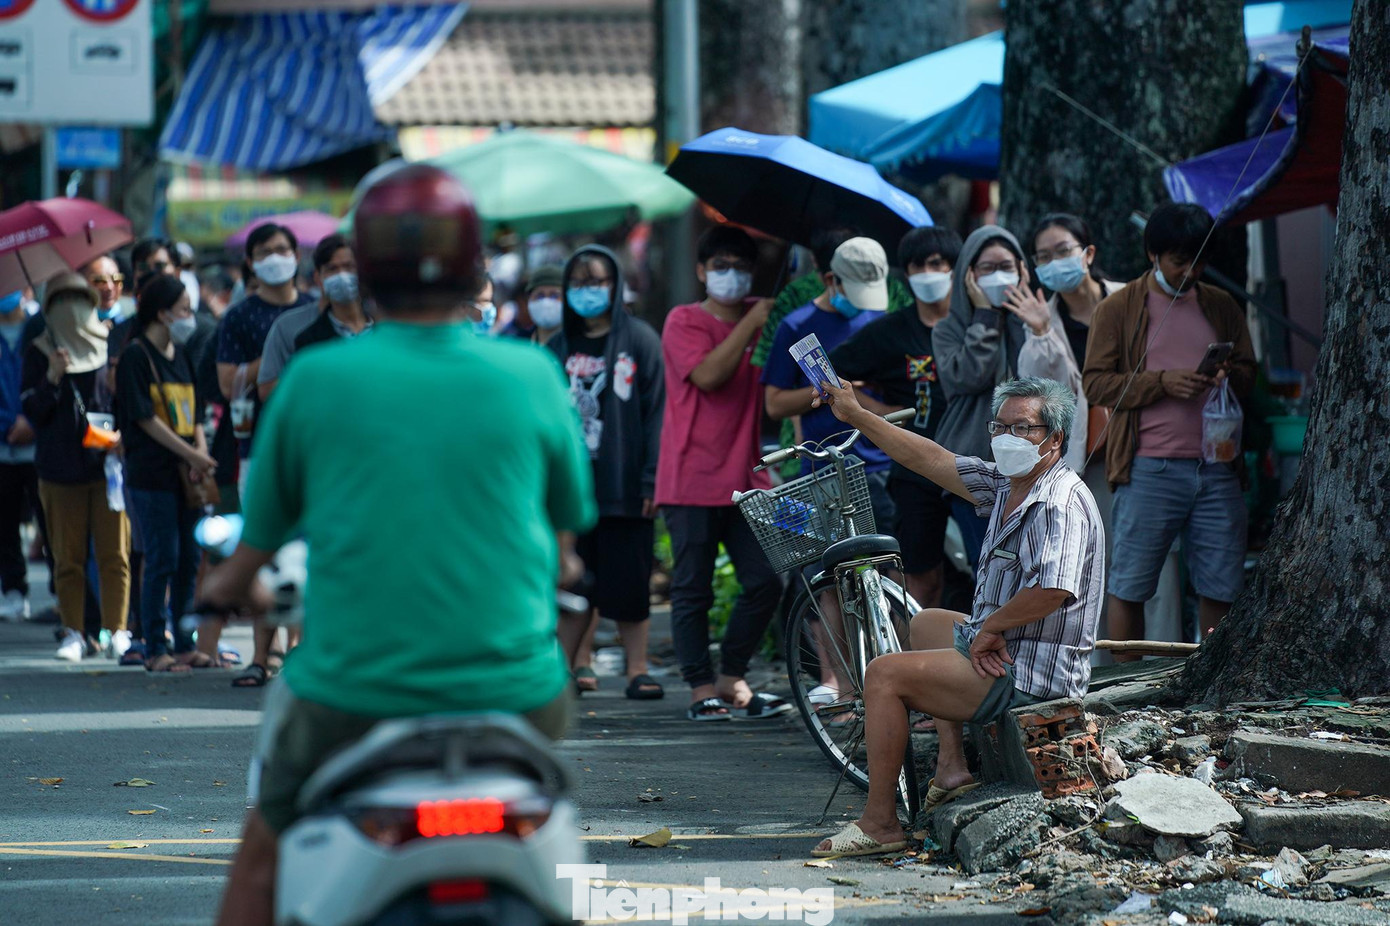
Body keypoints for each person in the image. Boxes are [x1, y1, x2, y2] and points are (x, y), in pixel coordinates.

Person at [200, 164, 595, 926]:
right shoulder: (533, 374)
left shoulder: (315, 380)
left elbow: (252, 554)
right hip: (523, 694)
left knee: (262, 850)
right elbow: (566, 539)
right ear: (471, 263)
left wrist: (227, 588)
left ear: (367, 268)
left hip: (350, 693)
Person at [809, 376, 1103, 858]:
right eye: (1000, 426)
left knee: (884, 675)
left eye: (1023, 428)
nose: (1008, 437)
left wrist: (990, 628)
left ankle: (880, 822)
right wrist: (857, 415)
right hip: (1007, 648)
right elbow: (928, 458)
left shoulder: (1057, 502)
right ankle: (951, 771)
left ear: (1055, 439)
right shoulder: (1011, 485)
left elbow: (1054, 588)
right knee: (926, 624)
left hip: (1030, 671)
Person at [1082, 203, 1256, 651]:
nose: (1190, 271)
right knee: (1131, 582)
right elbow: (1096, 384)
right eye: (1180, 260)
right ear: (1152, 254)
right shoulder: (1118, 308)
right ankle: (1125, 683)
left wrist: (1226, 376)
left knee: (1221, 582)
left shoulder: (1220, 305)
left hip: (1217, 467)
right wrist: (1162, 384)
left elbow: (1250, 372)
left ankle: (1213, 672)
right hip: (1147, 468)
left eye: (1199, 261)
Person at [657, 225, 787, 722]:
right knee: (692, 587)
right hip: (689, 475)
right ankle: (699, 688)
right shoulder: (683, 320)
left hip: (745, 477)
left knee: (765, 580)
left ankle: (732, 676)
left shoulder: (768, 321)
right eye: (719, 266)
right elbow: (709, 377)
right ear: (701, 271)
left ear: (753, 272)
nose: (729, 275)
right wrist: (751, 320)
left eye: (739, 266)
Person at [548, 244, 665, 701]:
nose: (588, 291)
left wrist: (653, 477)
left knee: (631, 582)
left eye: (597, 281)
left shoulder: (639, 340)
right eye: (578, 282)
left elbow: (657, 413)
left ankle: (638, 669)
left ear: (615, 286)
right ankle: (560, 673)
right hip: (571, 491)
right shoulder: (556, 346)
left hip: (625, 485)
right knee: (572, 584)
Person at [831, 226, 964, 610]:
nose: (927, 273)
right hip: (915, 469)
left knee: (989, 567)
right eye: (916, 266)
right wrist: (877, 411)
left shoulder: (977, 326)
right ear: (904, 275)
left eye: (935, 264)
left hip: (976, 464)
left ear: (955, 268)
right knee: (920, 577)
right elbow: (829, 373)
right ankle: (909, 663)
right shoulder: (890, 332)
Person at [215, 224, 313, 686]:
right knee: (266, 544)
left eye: (283, 249)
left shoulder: (315, 313)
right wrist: (273, 350)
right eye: (265, 252)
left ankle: (296, 652)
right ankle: (262, 655)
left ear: (297, 256)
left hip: (313, 449)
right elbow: (226, 382)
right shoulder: (239, 318)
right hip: (257, 444)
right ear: (250, 263)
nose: (276, 257)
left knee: (306, 551)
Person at [20, 273, 131, 660]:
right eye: (61, 299)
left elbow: (118, 403)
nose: (71, 308)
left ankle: (117, 629)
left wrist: (118, 436)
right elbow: (32, 410)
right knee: (67, 557)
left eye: (77, 298)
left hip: (104, 466)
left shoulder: (109, 343)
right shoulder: (39, 348)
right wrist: (52, 377)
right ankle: (74, 631)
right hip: (57, 469)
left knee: (114, 553)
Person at [115, 275, 217, 673]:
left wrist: (200, 454)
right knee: (162, 557)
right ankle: (155, 644)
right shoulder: (137, 357)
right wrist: (192, 454)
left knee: (190, 557)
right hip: (152, 474)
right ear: (161, 313)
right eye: (184, 310)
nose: (191, 317)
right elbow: (144, 420)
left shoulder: (183, 353)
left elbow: (195, 413)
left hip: (186, 476)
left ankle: (185, 641)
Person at [762, 237, 895, 523]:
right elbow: (774, 404)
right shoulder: (795, 326)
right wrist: (831, 388)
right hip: (822, 466)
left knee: (888, 559)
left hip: (878, 463)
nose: (862, 304)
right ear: (830, 279)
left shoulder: (879, 320)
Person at [931, 225, 1030, 568]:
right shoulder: (949, 329)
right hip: (972, 466)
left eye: (1006, 266)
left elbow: (1039, 376)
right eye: (987, 268)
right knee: (988, 568)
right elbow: (968, 376)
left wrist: (1022, 316)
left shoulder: (1036, 322)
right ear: (968, 275)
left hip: (1030, 466)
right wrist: (986, 317)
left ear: (1022, 270)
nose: (998, 275)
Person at [257, 234, 369, 401]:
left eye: (348, 267)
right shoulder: (306, 338)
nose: (342, 276)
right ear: (319, 278)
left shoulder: (385, 326)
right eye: (332, 269)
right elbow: (269, 390)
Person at [0, 290, 37, 622]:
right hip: (3, 447)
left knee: (51, 525)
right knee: (5, 524)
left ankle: (63, 597)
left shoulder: (40, 328)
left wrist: (32, 420)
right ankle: (13, 590)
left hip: (41, 447)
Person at [506, 265, 564, 343]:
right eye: (540, 296)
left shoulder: (577, 347)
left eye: (554, 295)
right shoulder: (519, 342)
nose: (546, 302)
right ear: (529, 300)